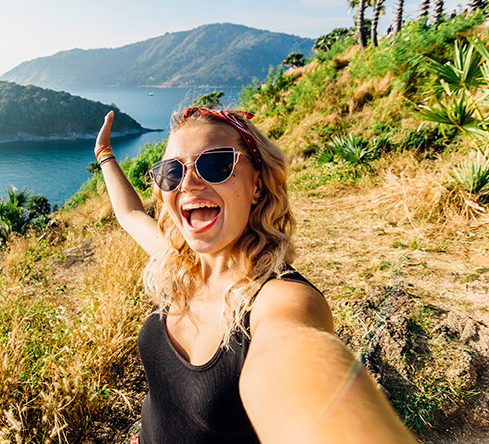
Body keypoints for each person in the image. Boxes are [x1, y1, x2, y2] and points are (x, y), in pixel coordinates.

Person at [93, 108, 418, 444]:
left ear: (257, 185)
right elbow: (131, 213)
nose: (188, 183)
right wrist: (104, 154)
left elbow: (294, 359)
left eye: (216, 164)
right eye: (172, 172)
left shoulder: (280, 300)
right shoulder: (178, 263)